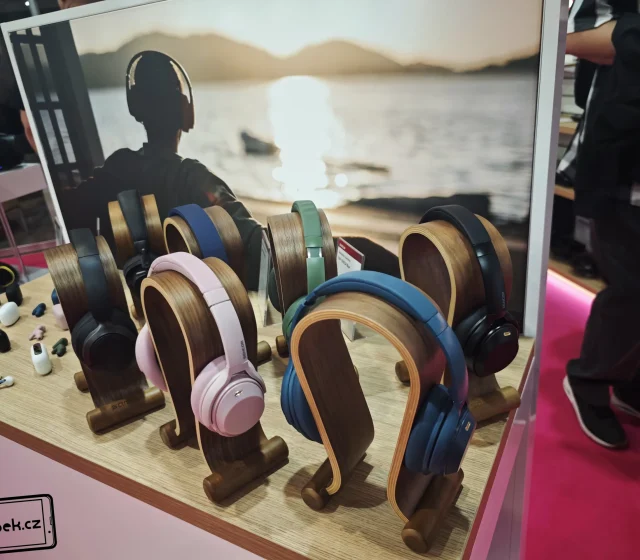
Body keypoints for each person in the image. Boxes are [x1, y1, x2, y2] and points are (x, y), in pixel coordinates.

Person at [63, 50, 265, 289]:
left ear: (135, 107)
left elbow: (68, 209)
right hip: (190, 303)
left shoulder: (115, 169)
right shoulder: (193, 178)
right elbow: (255, 246)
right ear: (185, 110)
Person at [562, 1, 640, 448]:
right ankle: (588, 381)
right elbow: (575, 36)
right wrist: (630, 34)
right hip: (623, 157)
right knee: (632, 287)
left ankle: (628, 382)